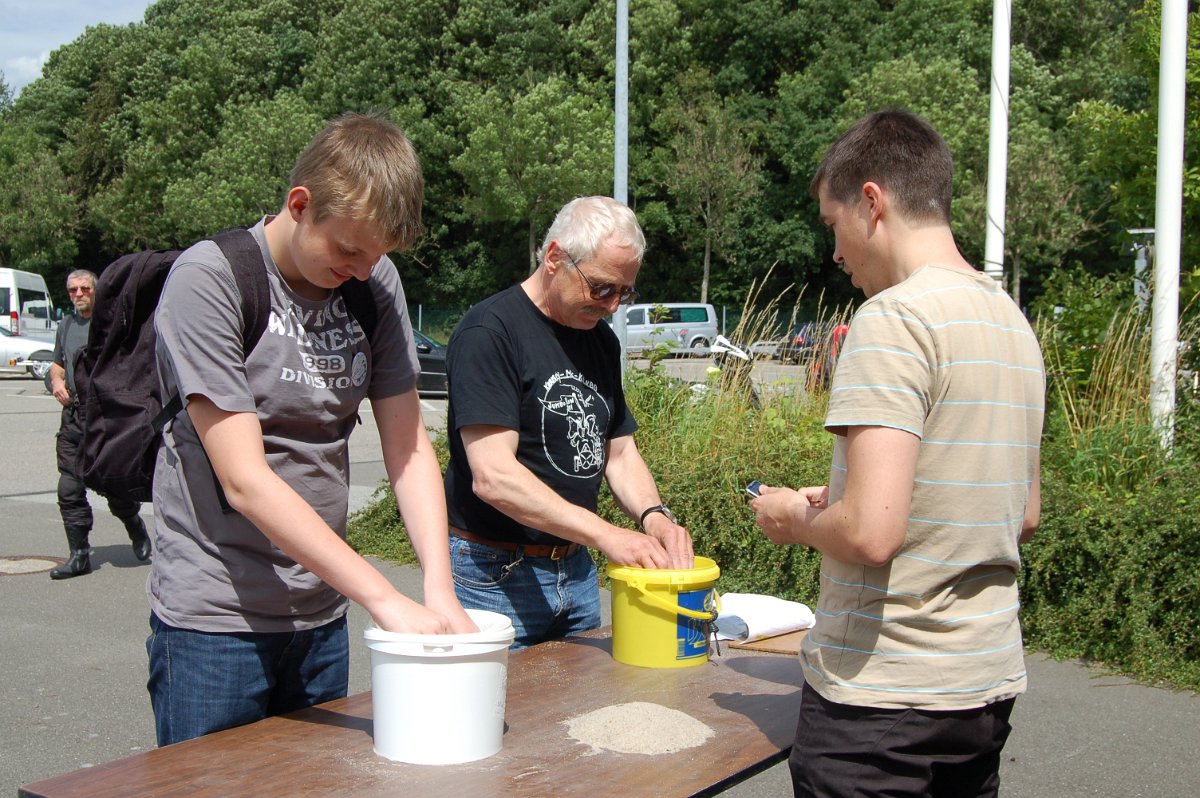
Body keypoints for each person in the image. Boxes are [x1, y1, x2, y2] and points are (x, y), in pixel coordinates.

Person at [146, 112, 475, 747]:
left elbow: (407, 448)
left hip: (323, 613)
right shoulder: (210, 280)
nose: (361, 269)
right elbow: (244, 481)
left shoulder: (372, 281)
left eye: (377, 255)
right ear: (300, 205)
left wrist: (437, 587)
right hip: (217, 621)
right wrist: (383, 597)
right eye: (349, 249)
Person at [751, 110, 1045, 798]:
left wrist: (797, 517)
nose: (836, 256)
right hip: (981, 687)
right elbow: (1020, 513)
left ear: (873, 202)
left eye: (834, 227)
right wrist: (854, 505)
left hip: (883, 699)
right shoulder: (1010, 320)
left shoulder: (892, 319)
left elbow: (871, 533)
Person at [443, 195, 694, 649]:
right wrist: (607, 535)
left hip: (575, 571)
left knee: (576, 710)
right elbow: (493, 476)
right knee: (501, 713)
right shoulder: (490, 332)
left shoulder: (599, 340)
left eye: (625, 292)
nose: (614, 305)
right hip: (494, 574)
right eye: (601, 288)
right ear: (555, 257)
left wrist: (653, 517)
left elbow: (619, 453)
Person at [48, 269, 150, 580]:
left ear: (96, 291)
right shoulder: (66, 325)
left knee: (114, 488)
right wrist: (56, 383)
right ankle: (79, 555)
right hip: (74, 420)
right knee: (69, 488)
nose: (78, 295)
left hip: (105, 421)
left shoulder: (111, 322)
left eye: (83, 289)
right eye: (72, 290)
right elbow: (57, 365)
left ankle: (135, 526)